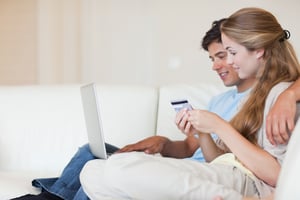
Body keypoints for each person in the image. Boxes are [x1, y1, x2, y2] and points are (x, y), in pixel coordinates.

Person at [12, 18, 256, 200]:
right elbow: (191, 147)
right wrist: (164, 144)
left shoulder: (261, 98)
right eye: (212, 59)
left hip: (202, 174)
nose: (216, 66)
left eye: (224, 55)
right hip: (190, 163)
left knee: (107, 169)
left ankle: (49, 196)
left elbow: (290, 74)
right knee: (92, 153)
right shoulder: (219, 100)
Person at [79, 7, 300, 200]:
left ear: (259, 50)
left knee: (118, 168)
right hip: (222, 171)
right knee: (92, 171)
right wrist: (202, 132)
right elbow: (219, 159)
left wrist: (218, 125)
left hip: (248, 183)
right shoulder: (252, 97)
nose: (228, 62)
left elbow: (277, 174)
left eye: (231, 53)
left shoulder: (280, 95)